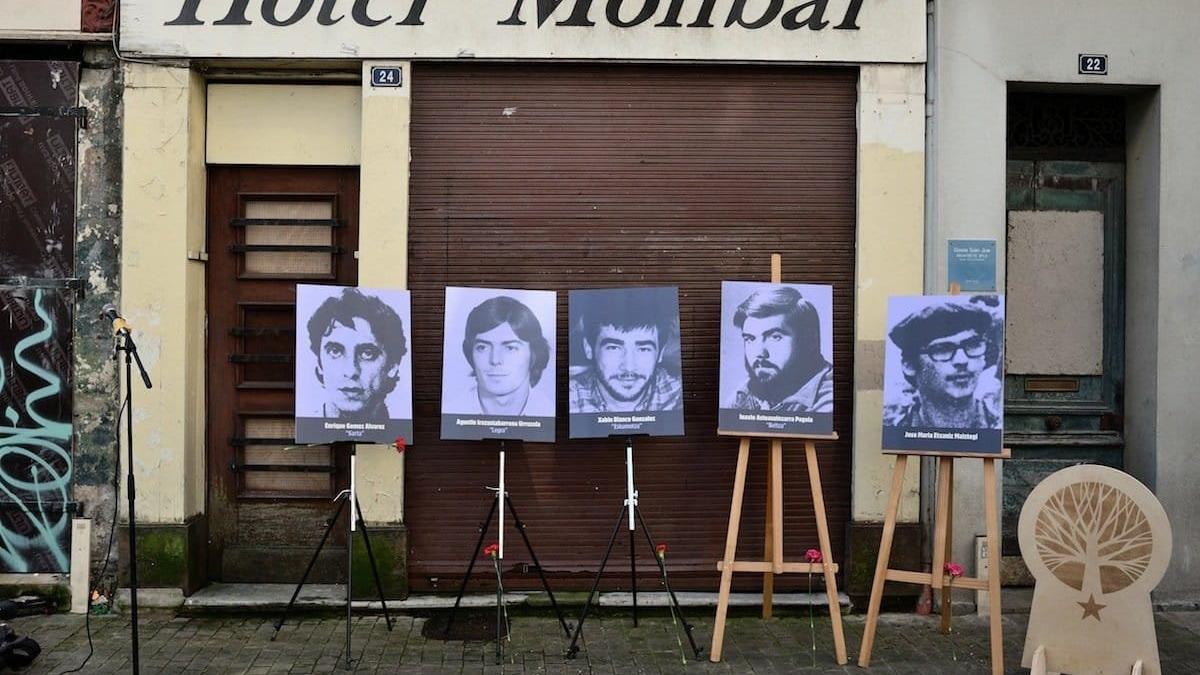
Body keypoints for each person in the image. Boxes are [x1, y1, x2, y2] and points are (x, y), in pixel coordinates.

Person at [884, 300, 1001, 429]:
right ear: (909, 365)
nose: (962, 360)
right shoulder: (893, 432)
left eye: (972, 345)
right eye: (942, 349)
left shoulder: (1000, 427)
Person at [569, 290, 682, 413]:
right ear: (588, 348)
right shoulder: (569, 400)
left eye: (643, 349)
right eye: (613, 348)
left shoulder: (678, 396)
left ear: (660, 353)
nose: (629, 367)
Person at [725, 286, 833, 413]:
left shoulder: (829, 400)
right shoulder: (745, 394)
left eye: (775, 337)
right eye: (750, 339)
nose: (759, 353)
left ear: (810, 341)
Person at [306, 288, 406, 420]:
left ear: (392, 366)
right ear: (319, 363)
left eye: (367, 354)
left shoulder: (402, 430)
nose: (351, 371)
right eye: (335, 352)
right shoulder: (305, 426)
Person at [457, 295, 552, 416]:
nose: (495, 360)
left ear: (534, 355)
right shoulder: (451, 413)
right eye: (482, 347)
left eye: (510, 348)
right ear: (470, 354)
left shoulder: (550, 414)